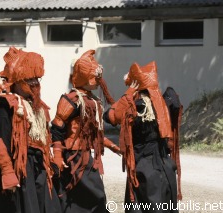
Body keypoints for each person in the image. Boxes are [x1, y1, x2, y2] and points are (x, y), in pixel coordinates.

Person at [0, 47, 62, 213]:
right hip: (20, 168)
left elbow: (45, 137)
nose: (35, 84)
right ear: (18, 81)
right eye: (30, 80)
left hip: (38, 166)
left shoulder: (38, 107)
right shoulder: (7, 106)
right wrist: (7, 171)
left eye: (37, 79)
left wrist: (52, 159)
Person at [103, 61, 182, 213]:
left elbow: (111, 116)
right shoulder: (166, 101)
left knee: (143, 204)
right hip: (164, 162)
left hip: (143, 164)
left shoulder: (136, 105)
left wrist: (129, 92)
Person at [50, 49, 121, 213]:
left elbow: (95, 133)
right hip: (73, 158)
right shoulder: (71, 99)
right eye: (94, 78)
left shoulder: (92, 100)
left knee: (92, 197)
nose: (97, 82)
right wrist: (58, 156)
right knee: (92, 195)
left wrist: (112, 146)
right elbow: (57, 128)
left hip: (86, 157)